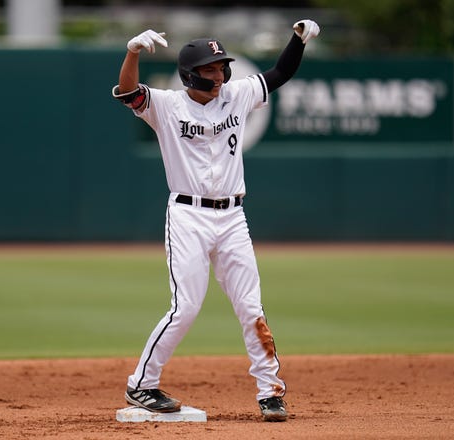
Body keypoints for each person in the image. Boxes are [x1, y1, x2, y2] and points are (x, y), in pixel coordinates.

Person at [112, 19, 320, 422]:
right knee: (185, 307)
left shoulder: (237, 95)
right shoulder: (168, 105)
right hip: (188, 215)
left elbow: (280, 73)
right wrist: (133, 51)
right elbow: (127, 93)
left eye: (221, 66)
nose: (220, 73)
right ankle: (141, 384)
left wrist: (297, 40)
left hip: (233, 217)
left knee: (250, 306)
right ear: (190, 73)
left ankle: (270, 392)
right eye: (210, 68)